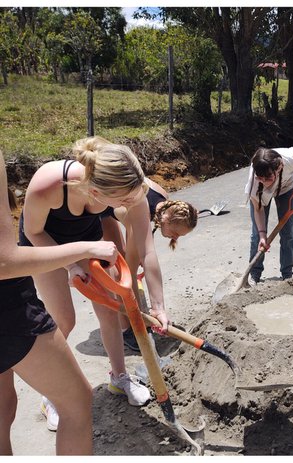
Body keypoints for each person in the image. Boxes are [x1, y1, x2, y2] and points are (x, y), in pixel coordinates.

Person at [18, 136, 169, 431]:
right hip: (44, 244)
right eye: (123, 201)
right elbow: (33, 232)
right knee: (64, 319)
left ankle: (119, 377)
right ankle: (53, 396)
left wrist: (160, 307)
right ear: (96, 191)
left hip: (87, 242)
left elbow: (148, 249)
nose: (130, 204)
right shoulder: (49, 184)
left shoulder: (134, 190)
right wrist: (71, 266)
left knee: (109, 311)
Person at [0, 151, 119, 455]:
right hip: (9, 307)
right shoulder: (52, 184)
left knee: (3, 410)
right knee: (77, 403)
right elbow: (5, 261)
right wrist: (82, 252)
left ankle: (121, 376)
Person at [101, 179, 198, 351]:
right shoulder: (140, 214)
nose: (175, 239)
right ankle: (128, 330)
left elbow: (144, 244)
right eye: (175, 233)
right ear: (166, 219)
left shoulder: (164, 200)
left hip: (115, 200)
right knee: (118, 269)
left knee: (129, 255)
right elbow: (127, 274)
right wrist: (139, 317)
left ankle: (132, 321)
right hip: (99, 203)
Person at [245, 147, 293, 284]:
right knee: (257, 236)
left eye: (268, 178)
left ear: (278, 169)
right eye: (260, 177)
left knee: (288, 233)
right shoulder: (255, 184)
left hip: (286, 188)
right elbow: (258, 209)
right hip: (262, 195)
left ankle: (287, 275)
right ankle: (254, 274)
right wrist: (263, 235)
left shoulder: (291, 160)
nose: (264, 181)